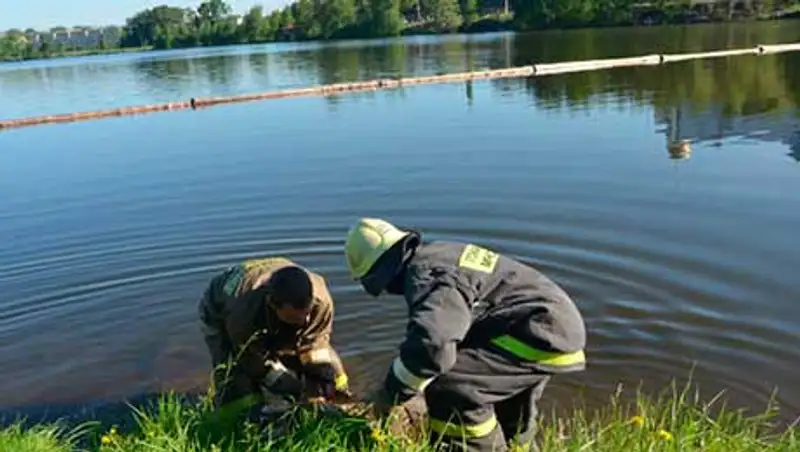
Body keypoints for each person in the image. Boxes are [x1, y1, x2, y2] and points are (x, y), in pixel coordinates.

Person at [344, 218, 587, 452]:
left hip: (540, 330)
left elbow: (433, 345)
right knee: (503, 401)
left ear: (381, 273)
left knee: (452, 387)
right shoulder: (439, 254)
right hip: (549, 325)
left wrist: (392, 392)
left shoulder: (427, 274)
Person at [197, 257, 352, 408]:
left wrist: (323, 379)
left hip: (271, 301)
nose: (305, 321)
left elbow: (316, 342)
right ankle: (238, 417)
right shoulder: (244, 315)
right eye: (295, 317)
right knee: (234, 374)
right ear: (272, 304)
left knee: (323, 366)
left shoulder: (321, 301)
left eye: (307, 313)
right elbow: (253, 362)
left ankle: (341, 394)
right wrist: (294, 389)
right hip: (218, 312)